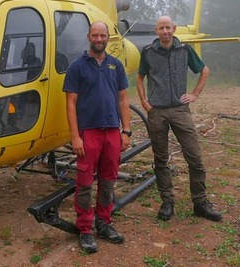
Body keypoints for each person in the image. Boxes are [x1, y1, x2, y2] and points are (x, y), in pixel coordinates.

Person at [136, 16, 222, 222]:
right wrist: (145, 103)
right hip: (157, 112)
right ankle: (167, 202)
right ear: (156, 31)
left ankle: (200, 203)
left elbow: (204, 70)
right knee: (161, 159)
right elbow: (140, 77)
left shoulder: (184, 50)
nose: (165, 31)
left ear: (173, 29)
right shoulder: (148, 52)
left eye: (168, 27)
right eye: (161, 28)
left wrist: (195, 94)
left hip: (180, 111)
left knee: (195, 157)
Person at [62, 21, 132, 253]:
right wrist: (75, 136)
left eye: (103, 35)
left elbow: (123, 99)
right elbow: (70, 104)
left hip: (112, 131)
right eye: (95, 35)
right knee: (84, 182)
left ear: (108, 38)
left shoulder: (116, 66)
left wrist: (126, 131)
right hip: (88, 132)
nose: (99, 39)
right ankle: (85, 229)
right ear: (89, 37)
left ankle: (103, 223)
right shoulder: (77, 67)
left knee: (108, 180)